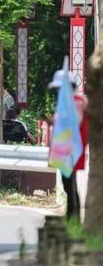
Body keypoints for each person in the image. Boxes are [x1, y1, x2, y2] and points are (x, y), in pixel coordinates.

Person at [48, 69, 88, 219]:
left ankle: (74, 216)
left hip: (71, 147)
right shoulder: (69, 101)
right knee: (68, 183)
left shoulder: (76, 101)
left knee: (70, 183)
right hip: (66, 147)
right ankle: (72, 214)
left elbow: (73, 121)